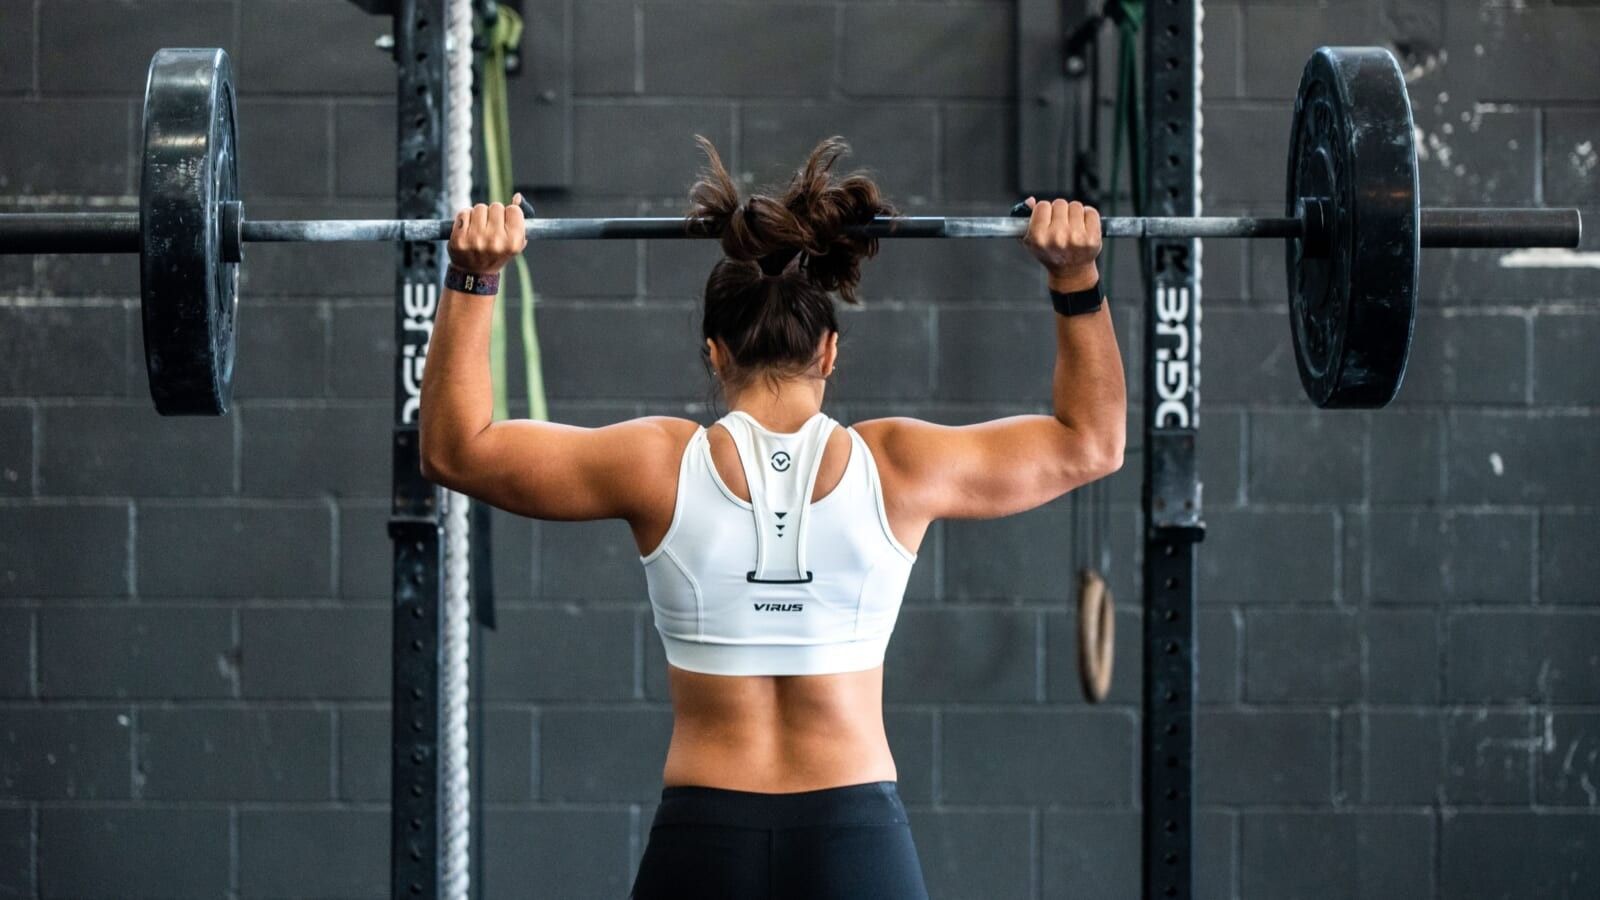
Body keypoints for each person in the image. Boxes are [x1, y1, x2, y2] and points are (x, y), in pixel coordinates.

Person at [419, 136, 1126, 900]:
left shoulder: (656, 465)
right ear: (828, 352)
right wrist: (1075, 276)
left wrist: (473, 276)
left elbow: (457, 452)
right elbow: (1091, 443)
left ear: (714, 354)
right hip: (856, 840)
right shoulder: (898, 467)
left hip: (703, 840)